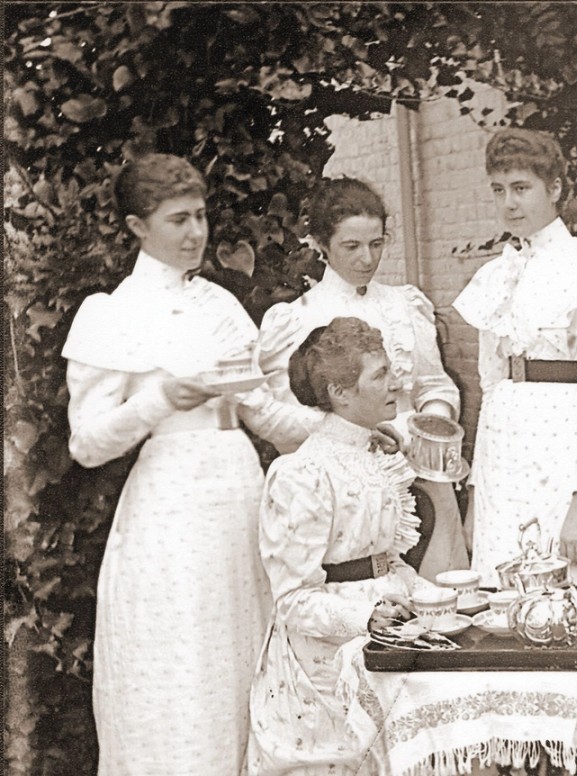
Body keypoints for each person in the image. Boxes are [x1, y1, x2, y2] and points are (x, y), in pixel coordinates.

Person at [62, 154, 307, 774]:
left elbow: (264, 414)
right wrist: (158, 400)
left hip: (241, 501)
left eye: (200, 216)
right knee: (183, 675)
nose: (196, 232)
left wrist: (350, 430)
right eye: (178, 219)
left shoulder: (220, 304)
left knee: (245, 658)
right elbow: (86, 443)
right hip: (169, 518)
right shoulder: (111, 314)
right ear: (137, 227)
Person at [453, 128, 577, 586]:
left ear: (555, 188)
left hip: (573, 458)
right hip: (507, 462)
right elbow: (491, 389)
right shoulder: (495, 277)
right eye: (499, 191)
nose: (509, 204)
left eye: (521, 189)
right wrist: (478, 496)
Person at [258, 177, 468, 581]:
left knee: (441, 593)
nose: (367, 259)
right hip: (347, 489)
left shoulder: (403, 304)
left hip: (422, 472)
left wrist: (425, 430)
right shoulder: (298, 318)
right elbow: (285, 418)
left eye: (376, 243)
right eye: (351, 246)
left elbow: (435, 386)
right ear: (321, 244)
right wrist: (362, 438)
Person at [247, 316, 430, 774]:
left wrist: (425, 594)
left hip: (389, 633)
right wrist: (364, 617)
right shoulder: (301, 473)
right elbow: (291, 599)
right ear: (340, 393)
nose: (396, 382)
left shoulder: (377, 452)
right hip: (323, 663)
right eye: (381, 375)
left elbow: (386, 561)